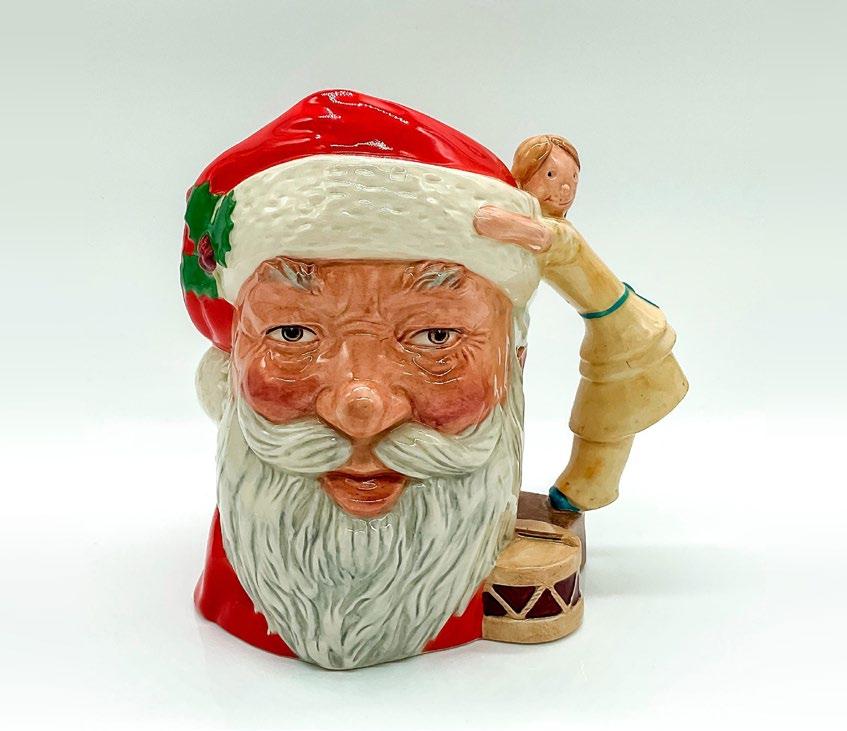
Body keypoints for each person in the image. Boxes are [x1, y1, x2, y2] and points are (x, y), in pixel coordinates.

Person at [474, 135, 688, 512]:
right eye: (551, 175)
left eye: (572, 178)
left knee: (604, 415)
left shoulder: (558, 232)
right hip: (614, 321)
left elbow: (490, 222)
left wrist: (481, 209)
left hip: (621, 326)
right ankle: (587, 487)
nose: (565, 188)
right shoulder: (550, 224)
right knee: (609, 412)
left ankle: (587, 489)